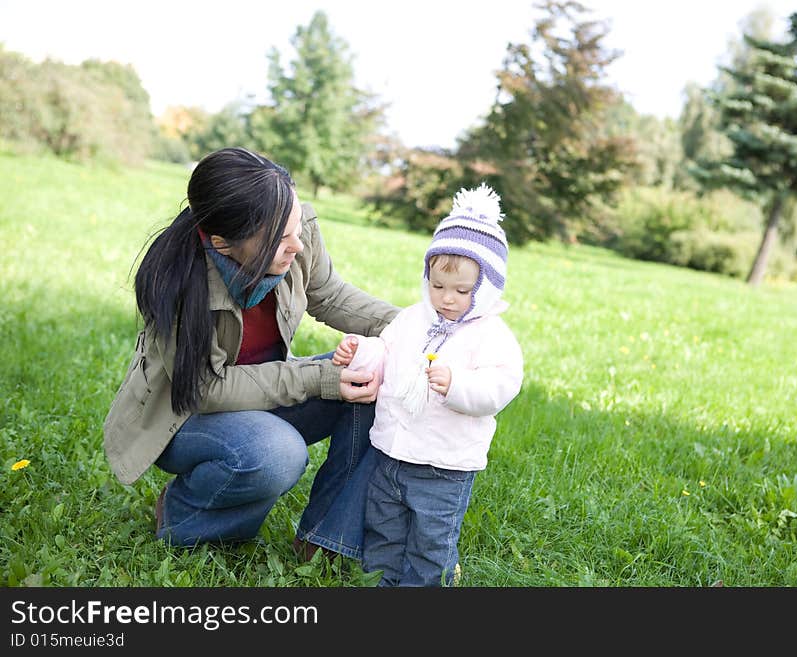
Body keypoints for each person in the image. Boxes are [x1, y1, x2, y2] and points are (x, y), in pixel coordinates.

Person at [102, 146, 399, 559]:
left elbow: (328, 293)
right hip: (185, 417)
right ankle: (183, 516)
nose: (297, 244)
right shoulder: (179, 283)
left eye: (297, 228)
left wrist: (416, 328)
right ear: (223, 244)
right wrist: (320, 377)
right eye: (281, 239)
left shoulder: (293, 228)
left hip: (265, 392)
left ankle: (325, 538)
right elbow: (206, 389)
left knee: (372, 378)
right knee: (276, 454)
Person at [332, 183, 524, 586]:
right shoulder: (412, 319)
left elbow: (501, 385)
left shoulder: (491, 336)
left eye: (462, 290)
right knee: (384, 530)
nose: (447, 299)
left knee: (430, 541)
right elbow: (387, 352)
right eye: (437, 286)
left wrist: (457, 385)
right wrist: (360, 352)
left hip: (444, 465)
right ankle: (381, 581)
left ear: (486, 287)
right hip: (392, 453)